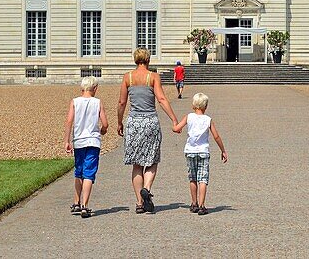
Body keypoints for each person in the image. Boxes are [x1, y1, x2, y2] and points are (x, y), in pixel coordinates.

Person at [118, 48, 178, 214]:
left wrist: (119, 122)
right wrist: (173, 119)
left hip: (134, 122)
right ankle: (147, 187)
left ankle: (139, 203)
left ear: (135, 60)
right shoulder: (153, 77)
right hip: (150, 121)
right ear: (148, 60)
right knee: (152, 160)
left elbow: (122, 102)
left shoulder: (127, 77)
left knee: (137, 164)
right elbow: (161, 99)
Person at [173, 92, 228, 215]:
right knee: (203, 179)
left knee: (192, 178)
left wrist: (175, 126)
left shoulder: (189, 117)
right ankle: (202, 205)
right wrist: (223, 150)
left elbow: (176, 129)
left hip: (190, 151)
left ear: (193, 105)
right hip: (203, 151)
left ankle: (194, 203)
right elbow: (216, 136)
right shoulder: (208, 120)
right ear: (206, 106)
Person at [63, 76, 108, 219]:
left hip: (79, 141)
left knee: (79, 171)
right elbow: (105, 123)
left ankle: (76, 202)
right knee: (89, 173)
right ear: (95, 88)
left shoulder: (75, 102)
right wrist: (102, 130)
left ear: (82, 88)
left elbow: (69, 121)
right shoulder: (97, 102)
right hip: (93, 141)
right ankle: (85, 205)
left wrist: (67, 140)